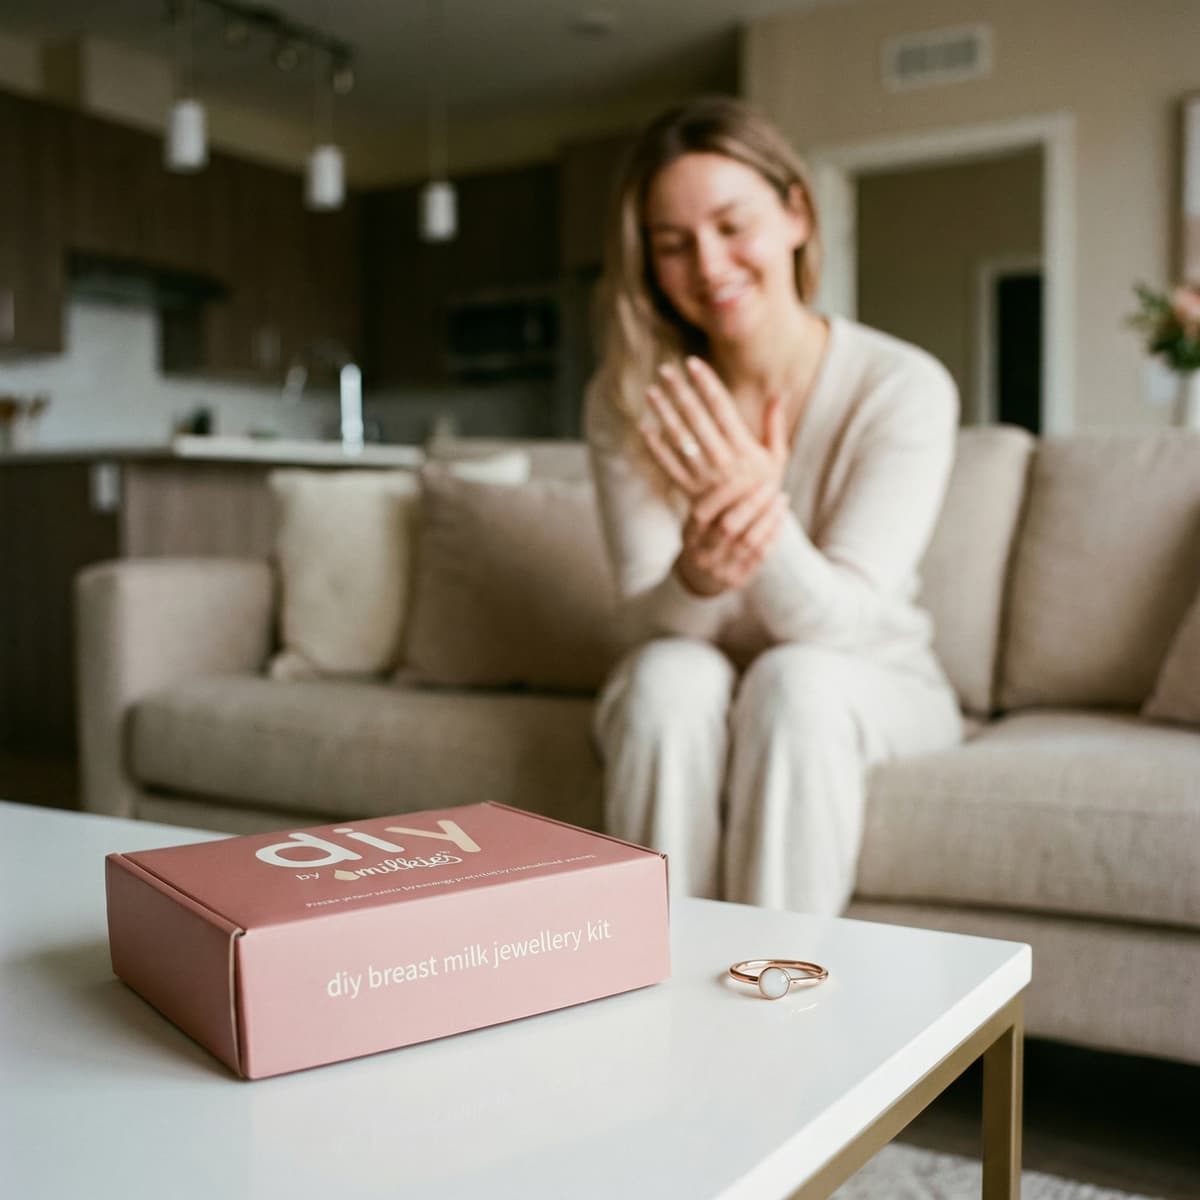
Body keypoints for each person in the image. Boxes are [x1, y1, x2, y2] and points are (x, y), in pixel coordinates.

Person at [585, 95, 963, 915]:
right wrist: (694, 576)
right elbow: (643, 623)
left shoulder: (902, 387)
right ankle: (658, 987)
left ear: (796, 213)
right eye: (673, 245)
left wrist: (757, 512)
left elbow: (845, 622)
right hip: (703, 666)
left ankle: (776, 992)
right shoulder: (628, 399)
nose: (710, 266)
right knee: (663, 677)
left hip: (874, 673)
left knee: (796, 682)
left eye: (732, 225)